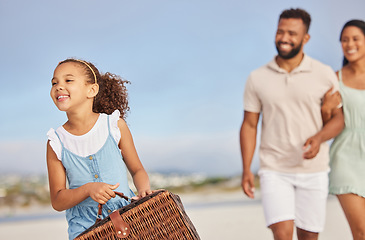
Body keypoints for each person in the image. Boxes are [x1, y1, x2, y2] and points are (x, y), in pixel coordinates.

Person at [239, 8, 344, 240]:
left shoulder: (324, 73)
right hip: (274, 168)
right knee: (283, 234)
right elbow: (249, 125)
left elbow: (339, 119)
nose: (284, 38)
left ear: (305, 38)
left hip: (313, 170)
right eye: (280, 32)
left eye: (292, 33)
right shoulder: (257, 78)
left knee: (308, 236)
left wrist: (318, 138)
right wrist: (247, 168)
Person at [46, 58, 152, 240]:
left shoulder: (114, 126)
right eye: (54, 82)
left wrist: (143, 190)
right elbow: (57, 200)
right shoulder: (56, 141)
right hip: (84, 228)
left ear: (92, 90)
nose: (59, 86)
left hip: (128, 217)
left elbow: (137, 170)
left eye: (68, 80)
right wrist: (88, 189)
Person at [321, 19, 365, 240]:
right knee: (361, 231)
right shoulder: (334, 79)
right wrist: (326, 109)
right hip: (346, 157)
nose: (349, 44)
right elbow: (326, 123)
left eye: (355, 39)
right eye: (344, 40)